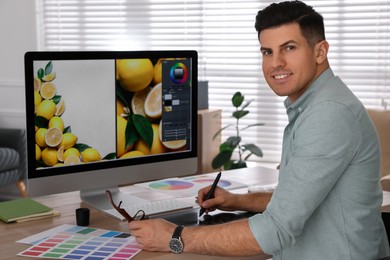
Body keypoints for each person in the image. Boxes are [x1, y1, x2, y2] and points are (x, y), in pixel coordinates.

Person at [128, 1, 390, 259]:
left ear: (320, 52)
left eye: (289, 47)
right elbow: (301, 197)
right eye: (267, 52)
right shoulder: (318, 105)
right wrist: (238, 201)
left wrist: (174, 237)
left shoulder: (328, 114)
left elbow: (275, 231)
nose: (276, 63)